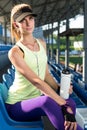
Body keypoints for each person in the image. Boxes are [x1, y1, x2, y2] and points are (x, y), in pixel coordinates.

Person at [5, 3, 83, 130]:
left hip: (35, 99)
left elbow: (46, 75)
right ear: (16, 24)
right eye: (23, 21)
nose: (28, 23)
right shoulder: (15, 52)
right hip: (17, 105)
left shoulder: (42, 44)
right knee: (48, 101)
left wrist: (59, 88)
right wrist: (62, 103)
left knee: (71, 103)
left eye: (30, 18)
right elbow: (37, 81)